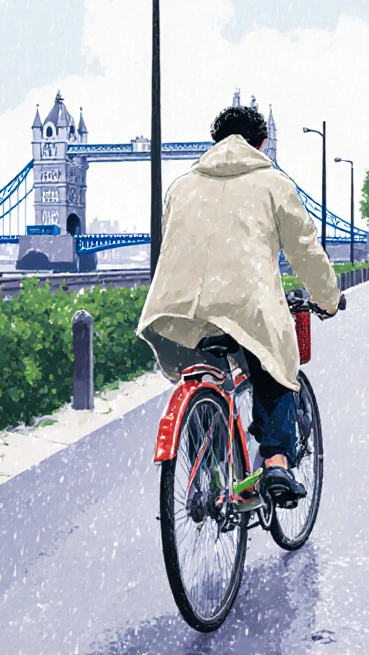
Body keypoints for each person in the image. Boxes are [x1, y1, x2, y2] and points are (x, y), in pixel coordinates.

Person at [136, 105, 342, 507]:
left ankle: (209, 467)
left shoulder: (181, 186)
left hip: (179, 310)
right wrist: (328, 300)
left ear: (217, 143)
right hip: (246, 304)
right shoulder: (273, 183)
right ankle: (277, 463)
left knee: (202, 375)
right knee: (275, 369)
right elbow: (305, 252)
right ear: (261, 144)